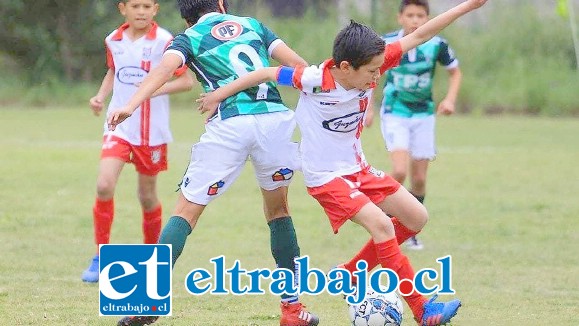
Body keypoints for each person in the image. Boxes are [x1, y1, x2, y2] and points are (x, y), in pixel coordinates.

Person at [196, 1, 487, 325]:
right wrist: (218, 95)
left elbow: (420, 35)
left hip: (357, 169)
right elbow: (266, 72)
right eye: (372, 71)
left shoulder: (372, 63)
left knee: (417, 217)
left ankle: (349, 274)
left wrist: (469, 6)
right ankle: (423, 309)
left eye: (380, 68)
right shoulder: (313, 79)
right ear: (346, 67)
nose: (378, 76)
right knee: (381, 225)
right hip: (325, 178)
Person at [107, 1, 319, 325]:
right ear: (220, 3)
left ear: (186, 14)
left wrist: (130, 103)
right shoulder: (253, 25)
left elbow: (163, 71)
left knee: (184, 213)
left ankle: (148, 301)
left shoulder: (189, 37)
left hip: (231, 125)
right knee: (278, 211)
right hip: (275, 120)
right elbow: (300, 67)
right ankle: (292, 310)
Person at [81, 0, 194, 283]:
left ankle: (152, 260)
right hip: (118, 126)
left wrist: (150, 91)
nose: (141, 11)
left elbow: (186, 82)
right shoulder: (113, 40)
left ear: (155, 9)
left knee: (146, 197)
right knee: (104, 184)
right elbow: (113, 71)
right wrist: (100, 96)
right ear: (123, 9)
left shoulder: (166, 41)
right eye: (135, 5)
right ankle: (99, 256)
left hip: (151, 132)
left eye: (146, 6)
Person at [366, 0, 463, 250]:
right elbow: (370, 75)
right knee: (398, 171)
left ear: (428, 18)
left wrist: (450, 99)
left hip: (423, 115)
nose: (415, 20)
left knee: (419, 179)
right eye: (410, 15)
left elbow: (455, 72)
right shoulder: (386, 43)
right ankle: (382, 220)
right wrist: (368, 108)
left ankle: (407, 229)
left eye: (421, 16)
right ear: (400, 17)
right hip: (395, 111)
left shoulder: (437, 45)